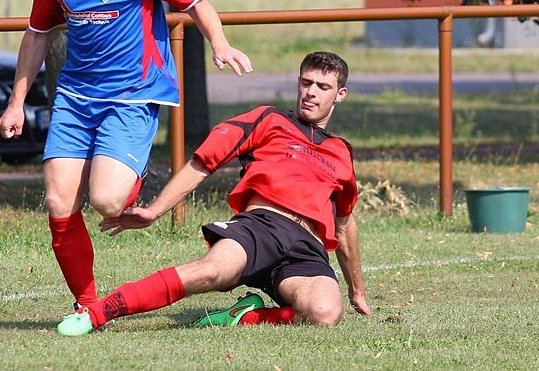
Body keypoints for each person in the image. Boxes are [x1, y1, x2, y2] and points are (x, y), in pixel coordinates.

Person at [0, 0, 252, 310]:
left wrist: (221, 43)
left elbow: (195, 1)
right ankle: (86, 303)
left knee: (106, 201)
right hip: (76, 97)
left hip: (132, 96)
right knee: (59, 201)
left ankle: (133, 174)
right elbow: (37, 34)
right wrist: (16, 102)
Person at [56, 51, 371, 336]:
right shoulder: (270, 119)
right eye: (306, 83)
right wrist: (154, 211)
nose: (311, 92)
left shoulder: (341, 151)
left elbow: (344, 225)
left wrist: (357, 290)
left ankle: (244, 316)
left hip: (307, 247)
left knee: (324, 313)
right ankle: (97, 313)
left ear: (340, 94)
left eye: (322, 87)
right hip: (262, 227)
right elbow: (202, 162)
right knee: (211, 272)